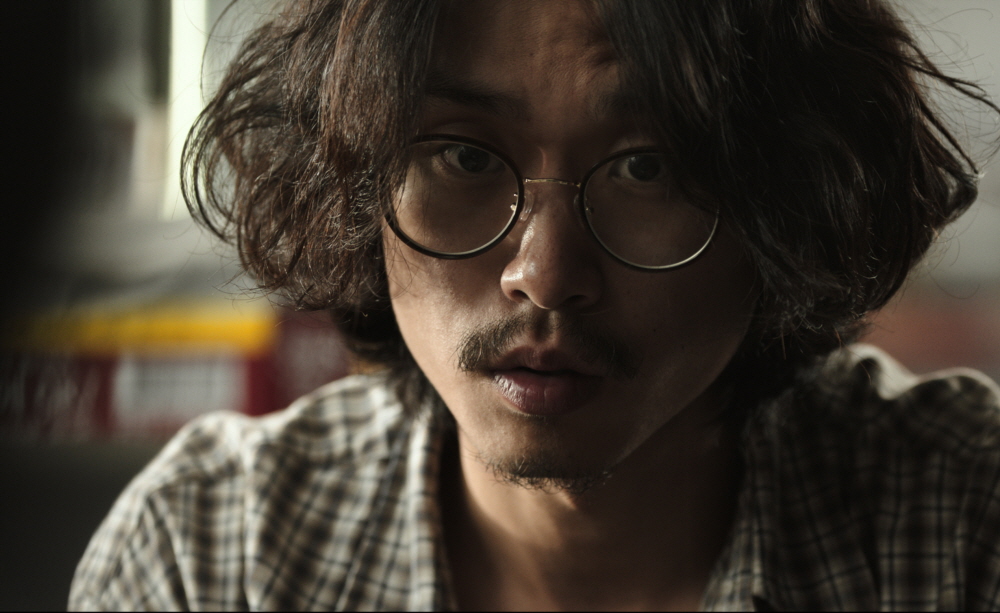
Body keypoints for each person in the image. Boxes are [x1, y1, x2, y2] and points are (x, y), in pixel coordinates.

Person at [70, 0, 1000, 610]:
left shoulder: (960, 528)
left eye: (648, 167)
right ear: (353, 182)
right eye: (464, 156)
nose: (545, 274)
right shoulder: (211, 554)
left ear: (787, 205)